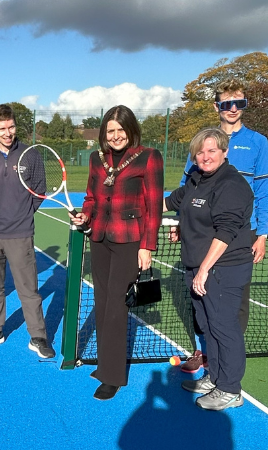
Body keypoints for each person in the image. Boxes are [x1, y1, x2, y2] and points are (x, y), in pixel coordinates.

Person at [178, 79, 268, 373]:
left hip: (239, 234)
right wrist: (180, 220)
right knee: (199, 294)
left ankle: (227, 359)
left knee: (234, 302)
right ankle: (204, 351)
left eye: (239, 103)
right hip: (201, 231)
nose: (233, 109)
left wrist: (262, 232)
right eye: (227, 104)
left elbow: (265, 190)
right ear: (216, 106)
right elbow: (187, 186)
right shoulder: (204, 142)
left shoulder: (258, 142)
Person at [70, 105, 163, 400]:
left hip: (129, 241)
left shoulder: (149, 157)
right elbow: (91, 197)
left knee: (115, 308)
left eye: (120, 129)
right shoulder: (97, 159)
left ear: (130, 129)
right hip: (99, 239)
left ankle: (112, 376)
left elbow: (153, 206)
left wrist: (147, 246)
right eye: (110, 130)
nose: (115, 135)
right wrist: (85, 215)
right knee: (102, 303)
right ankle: (105, 365)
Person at [165, 128, 253, 410]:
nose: (205, 156)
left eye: (212, 150)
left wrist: (204, 269)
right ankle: (214, 377)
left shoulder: (232, 185)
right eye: (200, 152)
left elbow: (226, 231)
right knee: (207, 326)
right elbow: (172, 202)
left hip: (223, 269)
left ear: (224, 151)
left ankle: (230, 389)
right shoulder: (196, 178)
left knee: (224, 328)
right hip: (197, 266)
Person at [0, 104, 56, 359]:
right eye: (2, 128)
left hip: (21, 233)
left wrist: (24, 213)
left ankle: (38, 336)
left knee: (28, 289)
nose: (7, 133)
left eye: (11, 127)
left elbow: (39, 190)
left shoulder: (30, 155)